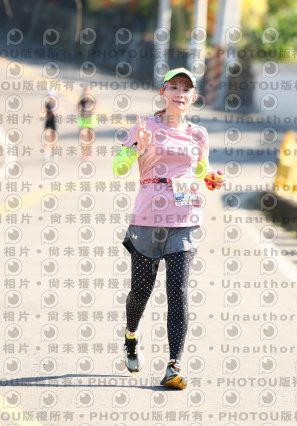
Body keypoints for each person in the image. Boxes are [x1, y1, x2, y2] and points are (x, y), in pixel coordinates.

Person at [112, 68, 225, 390]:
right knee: (141, 292)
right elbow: (118, 168)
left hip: (185, 218)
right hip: (147, 218)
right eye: (174, 87)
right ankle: (131, 335)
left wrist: (210, 178)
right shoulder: (144, 126)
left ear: (193, 96)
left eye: (186, 89)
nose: (180, 93)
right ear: (163, 92)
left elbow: (200, 169)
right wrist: (137, 147)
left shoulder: (198, 134)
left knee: (178, 290)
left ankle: (174, 365)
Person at [77, 87, 98, 161]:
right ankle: (84, 153)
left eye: (88, 92)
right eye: (85, 92)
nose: (86, 93)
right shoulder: (81, 100)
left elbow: (96, 109)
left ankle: (88, 151)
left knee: (89, 138)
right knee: (84, 137)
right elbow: (77, 109)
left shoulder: (93, 100)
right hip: (83, 121)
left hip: (91, 121)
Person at [43, 90, 59, 161]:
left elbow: (62, 112)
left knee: (54, 139)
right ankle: (46, 154)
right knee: (47, 139)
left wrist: (56, 112)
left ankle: (54, 154)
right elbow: (42, 113)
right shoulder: (47, 104)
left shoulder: (57, 104)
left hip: (54, 122)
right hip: (48, 122)